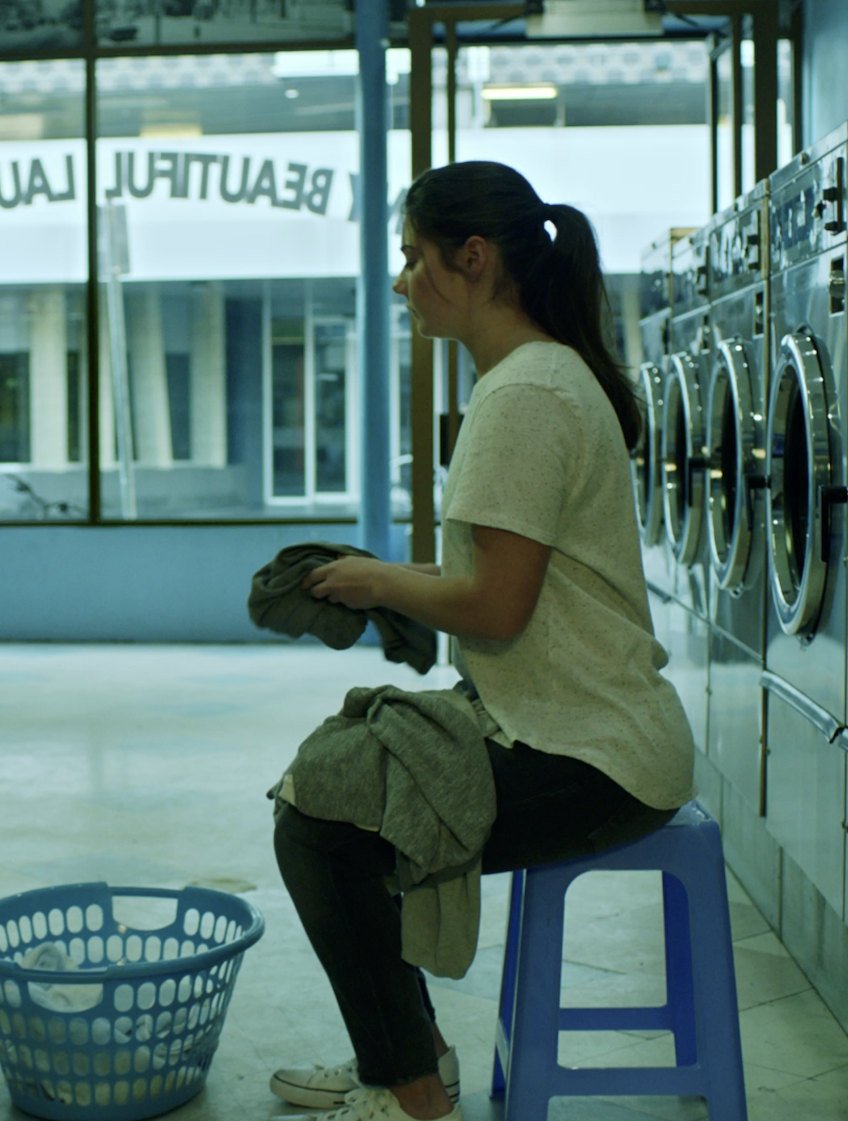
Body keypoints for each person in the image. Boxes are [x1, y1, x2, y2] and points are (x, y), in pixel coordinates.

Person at [267, 161, 698, 1121]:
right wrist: (380, 578)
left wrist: (380, 579)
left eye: (413, 257)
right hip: (558, 723)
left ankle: (412, 1089)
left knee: (324, 824)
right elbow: (503, 587)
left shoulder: (525, 395)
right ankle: (408, 1056)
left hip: (592, 752)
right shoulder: (533, 376)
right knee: (340, 774)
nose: (400, 279)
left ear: (474, 257)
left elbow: (497, 608)